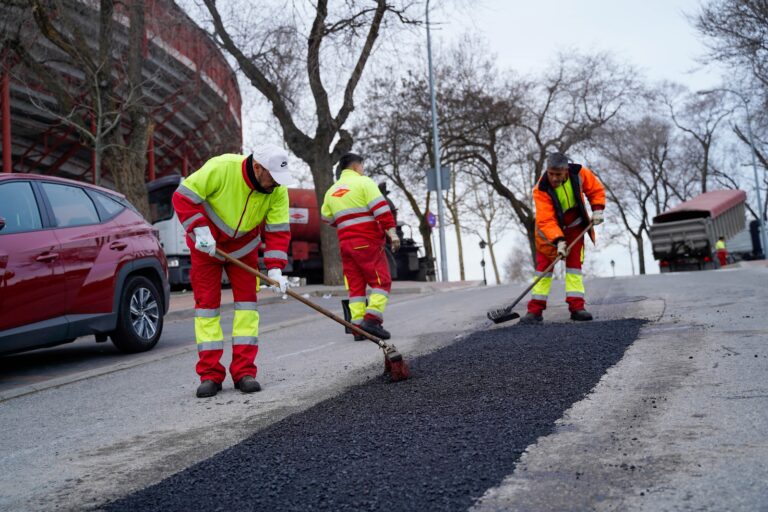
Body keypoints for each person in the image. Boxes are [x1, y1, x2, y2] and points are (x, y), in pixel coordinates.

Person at [172, 145, 293, 398]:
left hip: (245, 249)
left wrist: (275, 269)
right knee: (207, 310)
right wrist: (200, 230)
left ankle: (244, 372)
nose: (276, 185)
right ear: (257, 167)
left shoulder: (277, 190)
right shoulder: (222, 167)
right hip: (207, 248)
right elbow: (182, 197)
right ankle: (210, 375)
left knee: (247, 310)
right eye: (272, 177)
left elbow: (277, 229)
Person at [519, 152, 606, 324]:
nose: (553, 178)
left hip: (575, 226)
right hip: (548, 234)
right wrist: (559, 241)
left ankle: (577, 308)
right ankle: (535, 310)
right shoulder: (541, 189)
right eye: (551, 173)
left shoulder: (579, 173)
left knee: (574, 268)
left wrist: (597, 209)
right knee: (543, 269)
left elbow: (595, 189)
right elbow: (546, 220)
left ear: (566, 171)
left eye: (557, 174)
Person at [321, 153, 399, 340]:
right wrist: (392, 233)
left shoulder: (331, 191)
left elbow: (326, 217)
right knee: (381, 282)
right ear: (357, 167)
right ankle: (372, 320)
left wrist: (347, 223)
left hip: (346, 246)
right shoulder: (364, 183)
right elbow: (381, 210)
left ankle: (357, 328)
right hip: (367, 243)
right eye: (362, 166)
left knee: (356, 287)